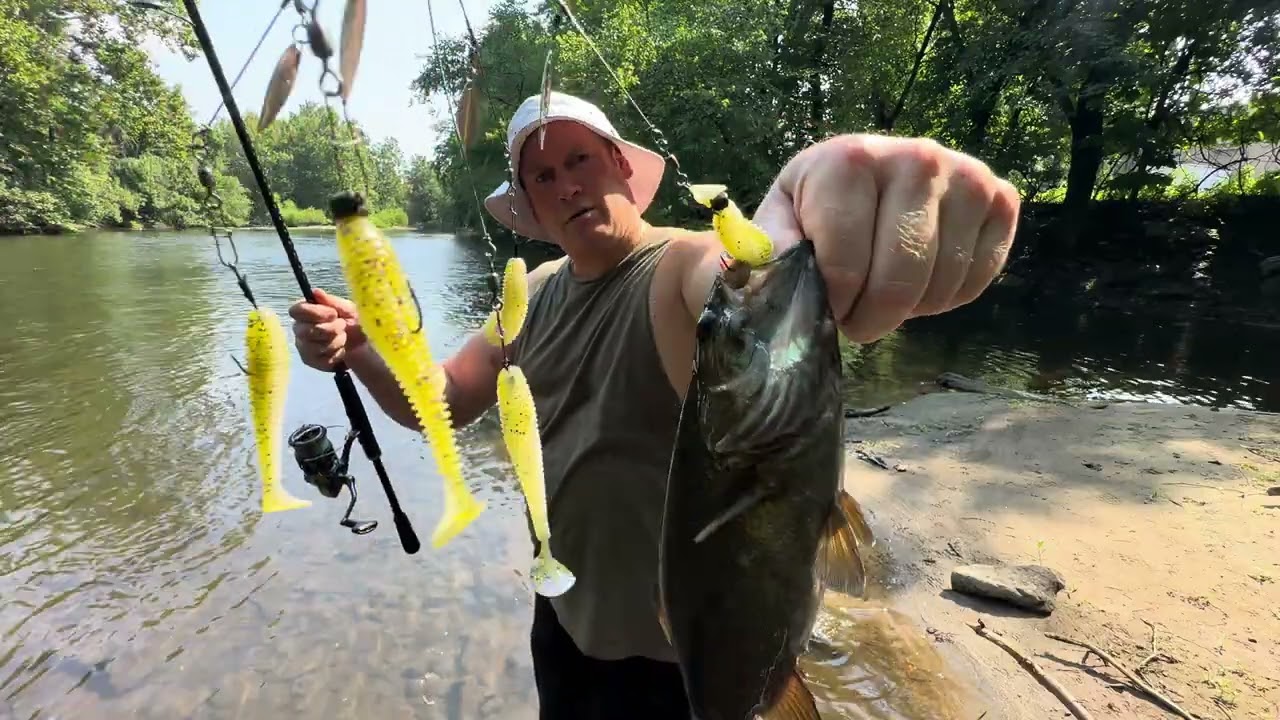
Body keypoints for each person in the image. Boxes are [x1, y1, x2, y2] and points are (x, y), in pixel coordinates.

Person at [289, 91, 1020, 718]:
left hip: (687, 652)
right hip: (564, 623)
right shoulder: (529, 295)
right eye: (543, 176)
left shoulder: (678, 265)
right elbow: (443, 401)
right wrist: (362, 348)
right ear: (532, 205)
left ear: (621, 168)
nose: (566, 184)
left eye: (580, 159)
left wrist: (824, 181)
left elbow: (741, 282)